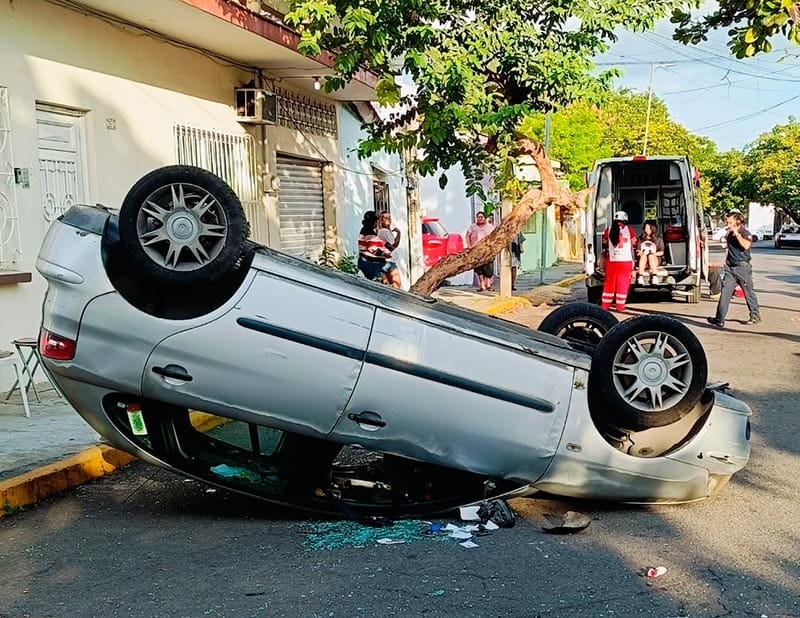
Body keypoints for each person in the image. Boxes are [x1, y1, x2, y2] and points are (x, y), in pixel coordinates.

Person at [707, 209, 761, 328]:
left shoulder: (745, 233)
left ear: (738, 222)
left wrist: (737, 234)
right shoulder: (729, 234)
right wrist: (725, 262)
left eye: (730, 222)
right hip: (730, 268)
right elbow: (730, 251)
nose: (728, 224)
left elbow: (746, 245)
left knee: (748, 292)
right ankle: (719, 319)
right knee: (725, 293)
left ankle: (755, 315)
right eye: (727, 222)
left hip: (743, 268)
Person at [601, 210, 637, 312]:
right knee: (623, 283)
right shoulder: (630, 230)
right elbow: (634, 243)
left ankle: (605, 306)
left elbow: (604, 244)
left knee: (609, 283)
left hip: (612, 261)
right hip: (626, 261)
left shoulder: (608, 230)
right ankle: (620, 306)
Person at [357, 211, 401, 287]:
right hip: (372, 263)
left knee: (385, 284)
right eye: (386, 218)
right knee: (380, 285)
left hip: (376, 262)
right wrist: (384, 254)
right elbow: (373, 248)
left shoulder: (369, 231)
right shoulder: (370, 232)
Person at [465, 212, 496, 291]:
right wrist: (469, 246)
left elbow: (494, 236)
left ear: (485, 218)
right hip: (476, 250)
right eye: (478, 217)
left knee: (489, 268)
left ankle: (488, 285)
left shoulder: (490, 227)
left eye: (481, 217)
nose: (480, 218)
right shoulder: (472, 226)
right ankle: (482, 285)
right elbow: (467, 236)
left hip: (487, 250)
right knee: (478, 268)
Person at [376, 212, 402, 287]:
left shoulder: (387, 231)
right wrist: (399, 234)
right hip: (387, 262)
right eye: (386, 218)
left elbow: (393, 245)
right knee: (395, 285)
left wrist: (398, 234)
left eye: (389, 217)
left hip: (390, 261)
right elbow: (393, 246)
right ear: (382, 220)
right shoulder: (383, 231)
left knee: (394, 285)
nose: (389, 219)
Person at [636, 221, 665, 285]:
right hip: (644, 260)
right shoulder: (641, 239)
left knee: (651, 256)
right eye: (646, 228)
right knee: (643, 256)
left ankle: (654, 276)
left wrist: (653, 254)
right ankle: (640, 276)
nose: (647, 230)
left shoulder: (658, 239)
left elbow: (661, 252)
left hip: (654, 259)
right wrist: (640, 253)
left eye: (649, 228)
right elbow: (638, 250)